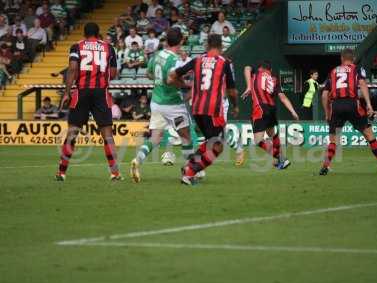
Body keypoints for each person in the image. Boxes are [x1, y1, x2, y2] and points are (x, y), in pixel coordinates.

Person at [169, 34, 239, 185]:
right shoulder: (224, 62)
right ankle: (190, 172)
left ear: (207, 45)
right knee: (218, 146)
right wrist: (235, 106)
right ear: (221, 46)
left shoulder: (197, 60)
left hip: (196, 109)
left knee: (210, 142)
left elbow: (173, 75)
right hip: (212, 110)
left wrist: (184, 86)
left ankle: (189, 166)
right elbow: (232, 91)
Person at [55, 22, 122, 181]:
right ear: (98, 33)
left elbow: (72, 69)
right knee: (107, 134)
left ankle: (61, 172)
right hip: (101, 93)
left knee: (72, 133)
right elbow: (112, 73)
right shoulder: (108, 47)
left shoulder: (76, 46)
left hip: (81, 92)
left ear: (84, 34)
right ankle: (115, 173)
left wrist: (66, 92)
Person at [130, 28, 195, 183]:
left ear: (166, 41)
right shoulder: (174, 59)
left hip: (157, 102)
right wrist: (185, 85)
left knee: (155, 138)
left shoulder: (157, 55)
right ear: (180, 42)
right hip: (173, 104)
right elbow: (171, 79)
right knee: (186, 137)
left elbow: (148, 74)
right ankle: (189, 171)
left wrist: (159, 82)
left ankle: (137, 161)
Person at [319, 48, 377, 176]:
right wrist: (369, 105)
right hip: (353, 104)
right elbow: (363, 84)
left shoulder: (333, 71)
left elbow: (324, 95)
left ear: (342, 59)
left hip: (336, 105)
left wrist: (327, 113)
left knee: (333, 140)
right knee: (369, 136)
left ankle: (324, 167)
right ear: (353, 59)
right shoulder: (357, 69)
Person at [242, 61, 299, 170]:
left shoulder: (257, 73)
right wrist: (293, 111)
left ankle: (281, 158)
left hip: (260, 108)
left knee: (258, 140)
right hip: (271, 109)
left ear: (260, 68)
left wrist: (249, 86)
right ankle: (280, 161)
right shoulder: (274, 78)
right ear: (270, 70)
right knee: (272, 134)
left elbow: (247, 67)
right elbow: (282, 97)